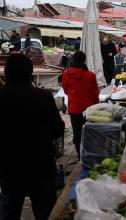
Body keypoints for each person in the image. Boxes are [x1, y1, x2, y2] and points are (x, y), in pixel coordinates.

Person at [0, 54, 65, 219]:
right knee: (46, 213)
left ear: (6, 73)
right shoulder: (43, 97)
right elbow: (58, 129)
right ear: (30, 73)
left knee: (9, 212)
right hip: (41, 166)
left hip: (9, 167)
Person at [62, 51, 99, 159]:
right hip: (89, 109)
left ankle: (80, 155)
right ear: (84, 61)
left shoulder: (66, 74)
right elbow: (95, 93)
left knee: (77, 133)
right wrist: (96, 105)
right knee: (89, 132)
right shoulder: (90, 75)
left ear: (73, 60)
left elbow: (65, 90)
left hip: (74, 109)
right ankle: (89, 153)